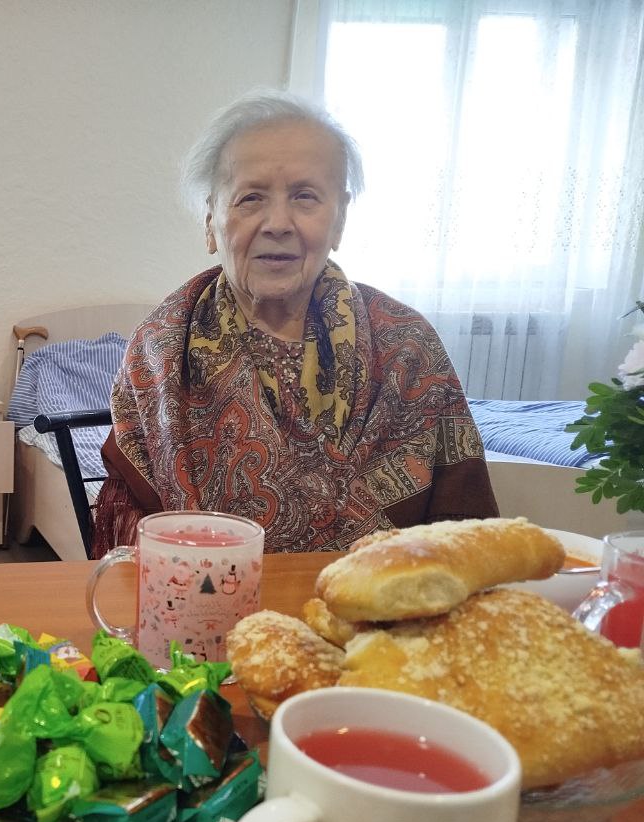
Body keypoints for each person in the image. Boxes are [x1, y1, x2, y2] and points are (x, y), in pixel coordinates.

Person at [91, 89, 497, 556]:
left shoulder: (408, 346)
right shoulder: (160, 348)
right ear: (210, 221)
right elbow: (123, 527)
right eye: (250, 198)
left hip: (377, 619)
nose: (278, 222)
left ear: (339, 219)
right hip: (203, 613)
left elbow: (467, 531)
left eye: (306, 197)